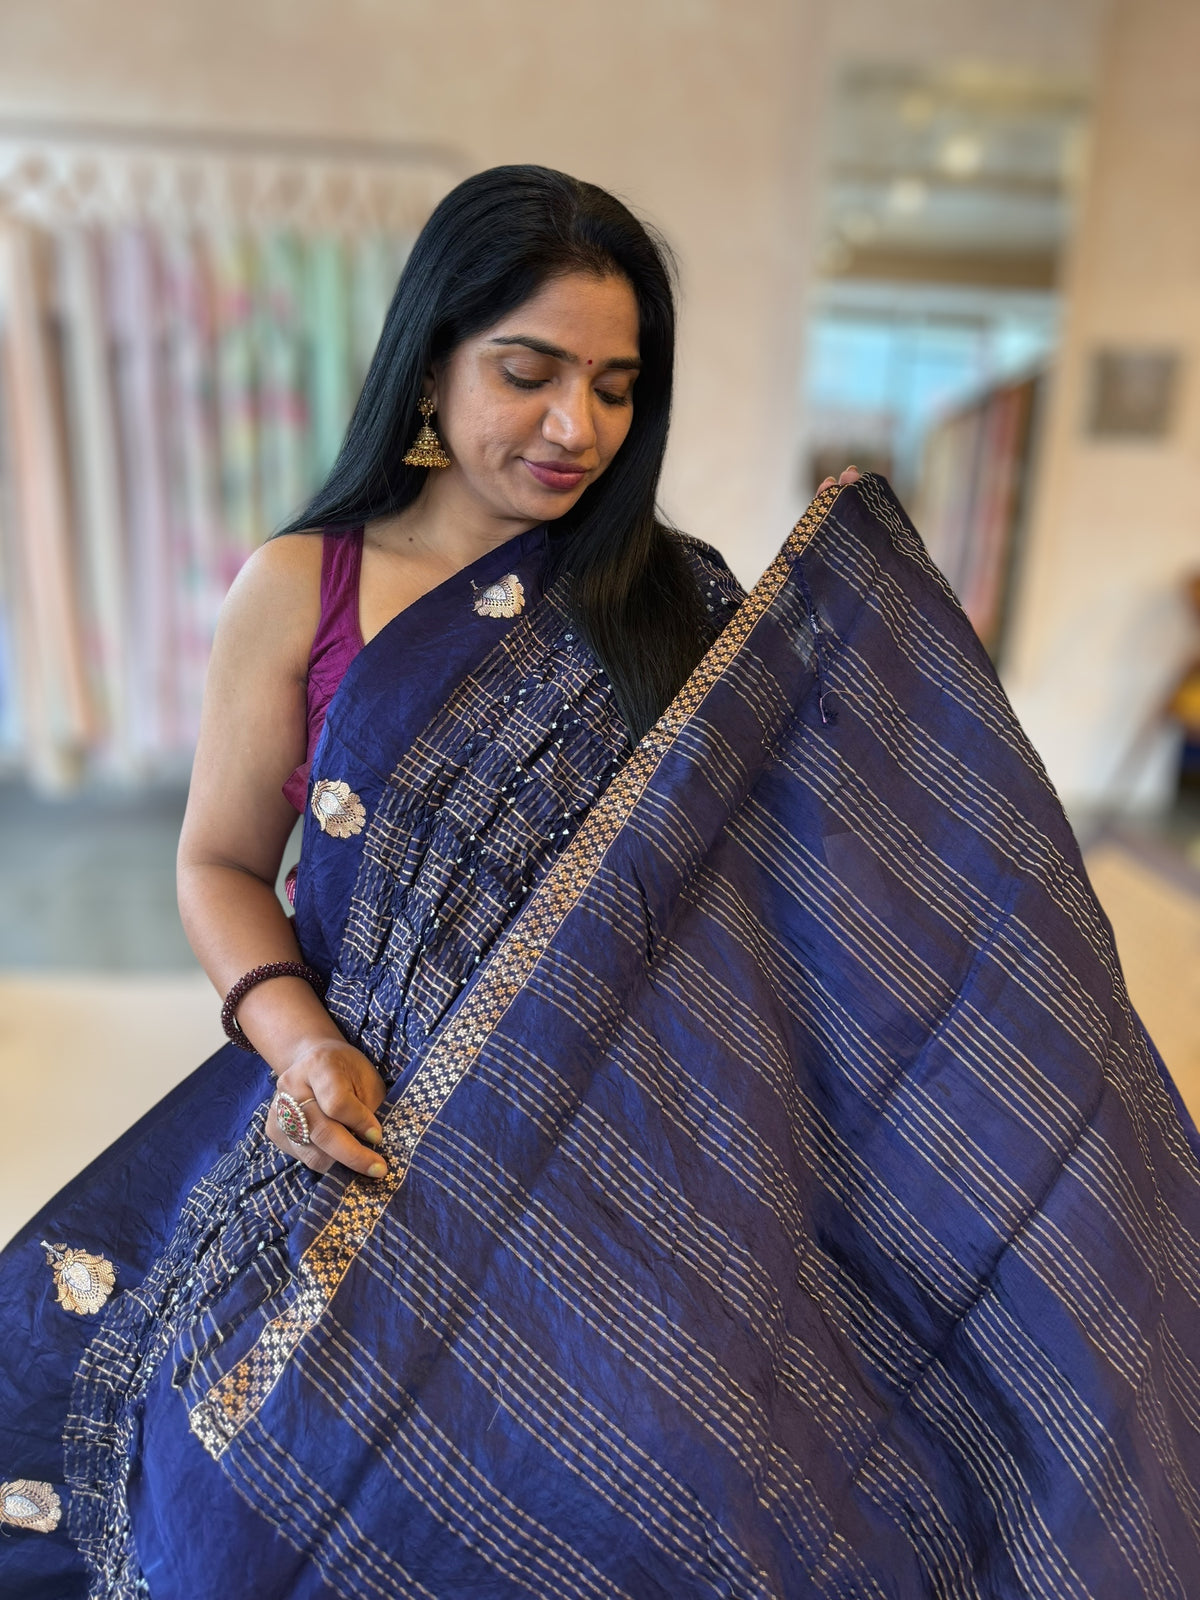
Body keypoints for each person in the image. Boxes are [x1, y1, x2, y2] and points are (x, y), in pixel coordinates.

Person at [2, 166, 1199, 1600]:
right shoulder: (305, 585)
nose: (577, 426)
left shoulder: (676, 604)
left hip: (626, 1126)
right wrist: (300, 1041)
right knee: (232, 1496)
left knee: (723, 1485)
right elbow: (217, 862)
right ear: (431, 366)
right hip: (361, 1115)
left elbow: (815, 873)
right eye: (530, 373)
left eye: (616, 387)